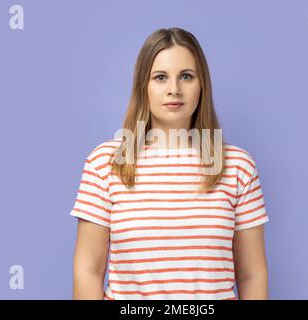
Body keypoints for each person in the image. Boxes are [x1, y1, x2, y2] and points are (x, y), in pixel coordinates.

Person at [70, 27, 269, 300]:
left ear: (202, 85)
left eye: (186, 76)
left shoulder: (238, 166)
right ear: (144, 85)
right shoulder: (105, 163)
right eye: (160, 77)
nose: (174, 89)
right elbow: (88, 270)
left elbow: (252, 274)